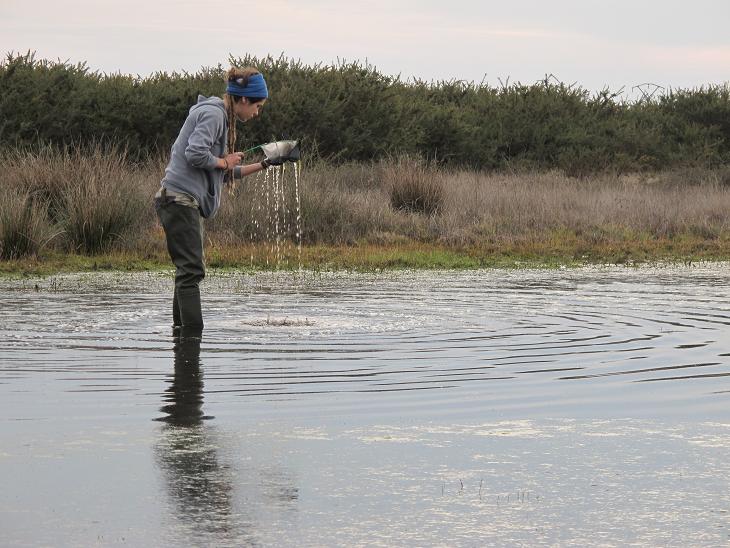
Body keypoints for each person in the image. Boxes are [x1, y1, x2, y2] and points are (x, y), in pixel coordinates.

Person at [154, 67, 295, 337]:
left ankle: (181, 338)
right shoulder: (214, 113)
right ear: (243, 100)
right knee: (192, 271)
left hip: (181, 201)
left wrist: (265, 164)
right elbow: (195, 153)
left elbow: (225, 171)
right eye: (258, 106)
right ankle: (192, 339)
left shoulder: (220, 116)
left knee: (187, 273)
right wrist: (223, 160)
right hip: (179, 200)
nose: (257, 113)